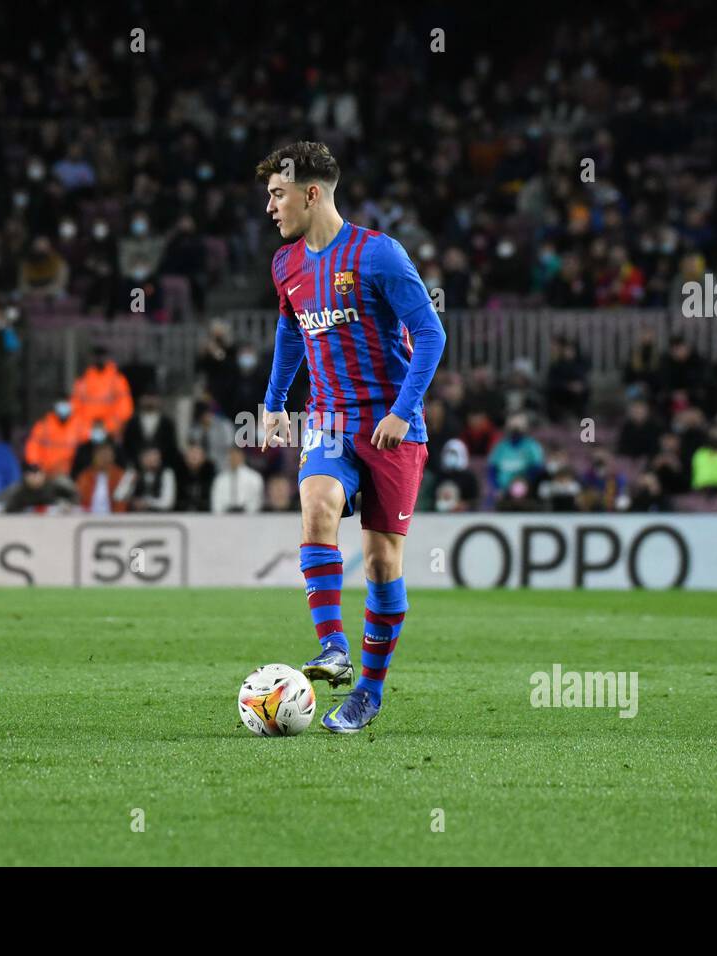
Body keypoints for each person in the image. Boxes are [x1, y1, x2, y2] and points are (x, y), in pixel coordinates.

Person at [258, 141, 446, 733]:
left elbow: (431, 335)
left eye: (277, 193)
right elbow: (291, 334)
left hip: (394, 429)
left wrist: (401, 410)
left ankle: (368, 691)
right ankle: (333, 646)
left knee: (381, 563)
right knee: (316, 505)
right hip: (331, 420)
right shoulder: (286, 265)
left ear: (311, 193)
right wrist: (274, 402)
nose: (269, 206)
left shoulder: (379, 255)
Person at [210, 446, 264, 513]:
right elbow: (216, 503)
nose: (233, 458)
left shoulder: (255, 478)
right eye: (231, 455)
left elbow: (257, 501)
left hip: (249, 519)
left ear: (242, 456)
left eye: (236, 455)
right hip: (225, 519)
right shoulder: (219, 479)